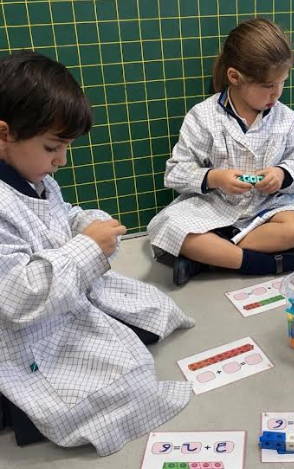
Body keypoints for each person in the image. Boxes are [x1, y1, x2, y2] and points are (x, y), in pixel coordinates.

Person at [0, 50, 195, 456]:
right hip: (22, 333)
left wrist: (87, 223)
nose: (61, 160)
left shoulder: (31, 175)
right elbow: (18, 296)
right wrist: (88, 248)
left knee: (151, 311)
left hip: (60, 300)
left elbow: (58, 215)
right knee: (121, 383)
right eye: (52, 147)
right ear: (4, 133)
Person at [147, 18, 294, 286]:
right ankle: (268, 264)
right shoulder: (202, 116)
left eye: (282, 83)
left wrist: (282, 174)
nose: (276, 93)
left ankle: (209, 258)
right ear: (234, 77)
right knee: (169, 226)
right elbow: (175, 172)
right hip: (213, 207)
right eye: (268, 86)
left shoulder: (287, 119)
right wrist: (215, 178)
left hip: (267, 208)